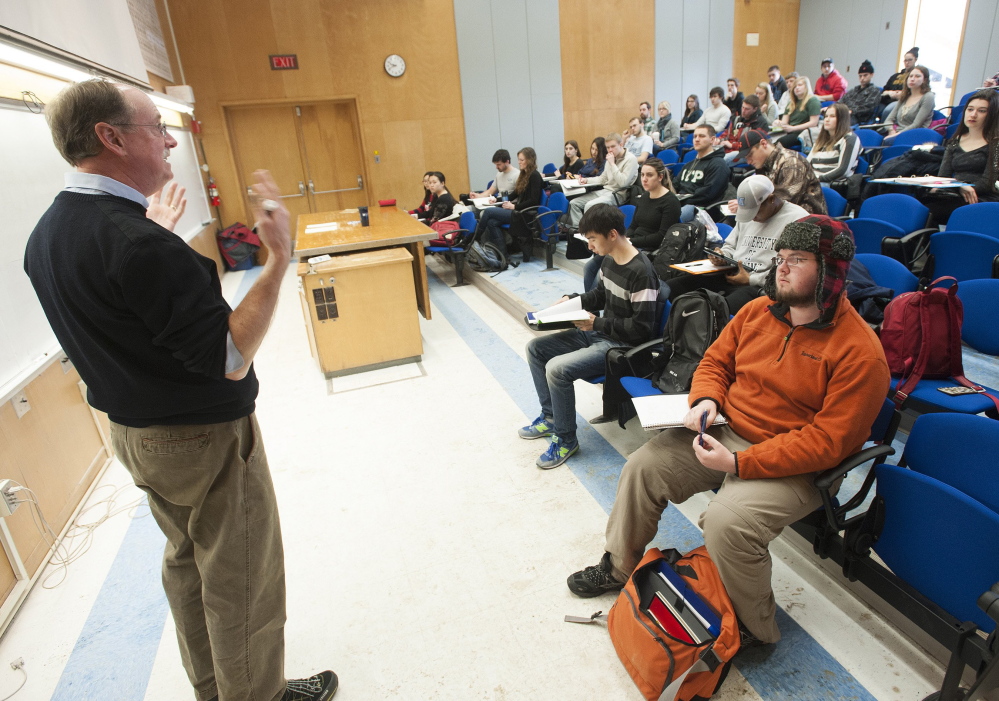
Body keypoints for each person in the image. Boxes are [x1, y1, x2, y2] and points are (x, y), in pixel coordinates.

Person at [24, 79, 338, 701]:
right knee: (242, 577)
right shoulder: (137, 243)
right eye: (154, 127)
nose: (170, 141)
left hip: (136, 438)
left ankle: (216, 690)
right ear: (110, 138)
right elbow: (227, 355)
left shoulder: (50, 235)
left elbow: (136, 324)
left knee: (191, 566)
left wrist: (157, 235)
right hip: (202, 441)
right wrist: (278, 261)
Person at [567, 215, 891, 651]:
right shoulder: (758, 310)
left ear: (831, 270)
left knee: (726, 523)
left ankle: (757, 629)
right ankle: (619, 566)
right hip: (728, 431)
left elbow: (829, 442)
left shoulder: (861, 353)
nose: (783, 267)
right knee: (643, 467)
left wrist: (739, 463)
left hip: (796, 464)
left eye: (798, 259)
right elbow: (716, 364)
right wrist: (706, 400)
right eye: (780, 257)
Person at [521, 204, 658, 469]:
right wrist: (572, 301)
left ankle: (565, 439)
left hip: (621, 346)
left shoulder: (642, 272)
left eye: (593, 239)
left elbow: (642, 329)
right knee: (535, 349)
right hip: (600, 333)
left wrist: (598, 323)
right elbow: (600, 295)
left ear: (613, 234)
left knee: (557, 369)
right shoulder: (609, 259)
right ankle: (551, 418)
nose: (590, 246)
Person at [666, 175, 808, 313]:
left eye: (755, 212)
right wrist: (722, 256)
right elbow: (730, 246)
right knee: (672, 287)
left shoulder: (797, 220)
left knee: (717, 310)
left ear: (771, 199)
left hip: (759, 285)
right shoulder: (748, 215)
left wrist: (751, 279)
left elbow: (792, 268)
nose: (753, 218)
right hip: (730, 273)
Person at [582, 158, 682, 291]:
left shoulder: (670, 202)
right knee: (589, 267)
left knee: (603, 272)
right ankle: (592, 307)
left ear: (660, 176)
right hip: (633, 243)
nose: (644, 179)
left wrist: (631, 242)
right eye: (643, 175)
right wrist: (624, 239)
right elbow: (634, 225)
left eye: (649, 175)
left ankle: (598, 303)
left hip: (649, 248)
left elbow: (662, 236)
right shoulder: (644, 197)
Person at [920, 89, 999, 223]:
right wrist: (958, 186)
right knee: (917, 206)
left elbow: (988, 183)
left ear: (992, 115)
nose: (973, 115)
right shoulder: (955, 141)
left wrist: (957, 187)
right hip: (955, 193)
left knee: (927, 212)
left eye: (982, 111)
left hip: (980, 197)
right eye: (970, 109)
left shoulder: (996, 143)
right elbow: (943, 177)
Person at [738, 129, 827, 214]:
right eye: (746, 158)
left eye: (750, 155)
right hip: (784, 218)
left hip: (808, 222)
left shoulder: (791, 163)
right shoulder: (764, 164)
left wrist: (749, 205)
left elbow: (784, 203)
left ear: (763, 143)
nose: (748, 162)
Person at [474, 148, 543, 257]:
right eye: (519, 160)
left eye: (522, 160)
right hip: (518, 211)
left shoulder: (534, 176)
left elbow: (534, 201)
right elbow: (514, 194)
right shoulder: (524, 175)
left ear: (530, 160)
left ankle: (475, 238)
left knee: (488, 212)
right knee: (492, 223)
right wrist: (497, 200)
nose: (519, 162)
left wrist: (514, 206)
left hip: (524, 214)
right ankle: (503, 255)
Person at [567, 133, 639, 228]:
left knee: (589, 205)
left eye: (613, 146)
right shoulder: (610, 158)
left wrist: (613, 164)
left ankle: (591, 234)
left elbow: (623, 183)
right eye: (608, 147)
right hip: (605, 191)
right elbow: (603, 179)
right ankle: (579, 231)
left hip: (618, 194)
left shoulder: (630, 159)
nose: (610, 150)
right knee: (574, 203)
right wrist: (586, 180)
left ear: (621, 144)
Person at [675, 125, 731, 207]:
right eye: (695, 136)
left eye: (701, 136)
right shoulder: (688, 165)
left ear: (712, 139)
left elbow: (708, 194)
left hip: (700, 209)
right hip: (681, 204)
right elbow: (675, 184)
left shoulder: (718, 164)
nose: (697, 139)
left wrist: (682, 202)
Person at [807, 103, 861, 182]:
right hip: (812, 181)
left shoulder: (850, 139)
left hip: (830, 183)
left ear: (842, 119)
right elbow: (807, 163)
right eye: (826, 116)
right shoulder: (821, 140)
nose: (827, 119)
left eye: (832, 116)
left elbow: (843, 171)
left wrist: (817, 179)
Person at [881, 65, 935, 144]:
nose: (912, 79)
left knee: (886, 142)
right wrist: (891, 131)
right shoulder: (905, 96)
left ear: (925, 80)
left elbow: (916, 124)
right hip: (896, 133)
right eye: (910, 76)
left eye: (917, 76)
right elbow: (888, 120)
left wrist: (896, 135)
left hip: (915, 135)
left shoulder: (928, 96)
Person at [772, 75, 821, 149]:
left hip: (802, 133)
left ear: (806, 86)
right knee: (767, 138)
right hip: (789, 131)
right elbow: (784, 122)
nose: (796, 88)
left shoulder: (813, 101)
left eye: (800, 85)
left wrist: (793, 128)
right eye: (795, 87)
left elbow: (813, 123)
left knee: (779, 143)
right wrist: (778, 123)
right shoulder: (791, 103)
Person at [720, 94, 769, 162]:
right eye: (742, 107)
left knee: (722, 161)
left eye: (747, 109)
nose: (743, 111)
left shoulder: (761, 123)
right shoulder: (737, 119)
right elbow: (727, 134)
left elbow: (754, 146)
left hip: (746, 153)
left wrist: (732, 145)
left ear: (755, 109)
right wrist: (719, 140)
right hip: (729, 148)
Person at [839, 60, 881, 125]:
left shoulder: (874, 91)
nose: (862, 78)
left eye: (865, 75)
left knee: (836, 121)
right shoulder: (853, 90)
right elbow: (841, 101)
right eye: (860, 76)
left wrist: (851, 111)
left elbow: (868, 108)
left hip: (860, 120)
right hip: (846, 115)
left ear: (872, 75)